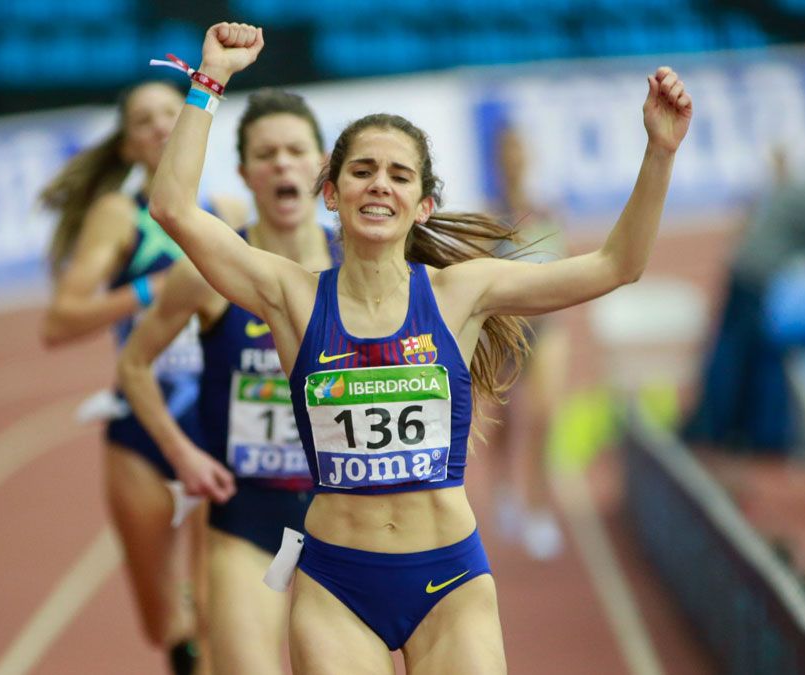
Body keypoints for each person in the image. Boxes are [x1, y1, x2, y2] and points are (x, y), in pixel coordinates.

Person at [151, 22, 691, 673]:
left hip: (448, 581)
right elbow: (174, 206)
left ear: (424, 203)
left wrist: (659, 151)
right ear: (332, 193)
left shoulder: (461, 292)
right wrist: (209, 79)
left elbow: (615, 265)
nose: (380, 183)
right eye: (362, 170)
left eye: (399, 175)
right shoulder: (290, 295)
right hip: (336, 586)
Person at [117, 88, 337, 674]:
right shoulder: (207, 275)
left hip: (344, 513)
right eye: (266, 154)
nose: (282, 164)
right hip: (247, 517)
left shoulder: (361, 270)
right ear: (245, 173)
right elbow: (133, 365)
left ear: (322, 165)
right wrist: (181, 453)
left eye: (296, 150)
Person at [39, 80, 241, 673]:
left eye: (169, 114)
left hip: (214, 423)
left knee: (214, 607)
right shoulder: (116, 214)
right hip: (142, 433)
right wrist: (158, 286)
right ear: (127, 147)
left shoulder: (227, 212)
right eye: (143, 121)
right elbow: (60, 321)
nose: (159, 126)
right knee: (162, 622)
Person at [682, 148, 805, 453]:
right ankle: (723, 430)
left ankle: (725, 429)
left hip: (744, 270)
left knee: (735, 355)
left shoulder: (797, 188)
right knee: (737, 358)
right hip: (754, 278)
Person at [482, 124, 570, 561]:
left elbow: (563, 266)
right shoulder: (487, 216)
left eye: (521, 151)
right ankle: (504, 493)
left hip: (546, 329)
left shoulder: (547, 210)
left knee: (544, 418)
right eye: (508, 152)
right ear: (500, 161)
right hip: (505, 331)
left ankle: (538, 508)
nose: (515, 160)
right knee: (502, 421)